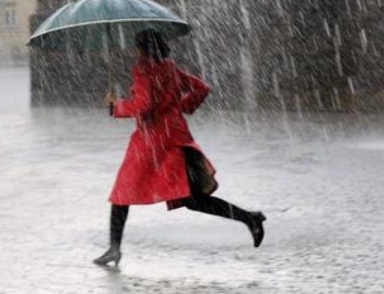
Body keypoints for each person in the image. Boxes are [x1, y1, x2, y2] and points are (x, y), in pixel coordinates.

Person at [94, 29, 266, 267]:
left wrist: (116, 106)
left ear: (142, 49)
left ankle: (114, 248)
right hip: (175, 136)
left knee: (123, 192)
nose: (135, 52)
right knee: (192, 199)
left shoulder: (144, 70)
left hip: (152, 142)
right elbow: (201, 89)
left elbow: (144, 106)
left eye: (137, 47)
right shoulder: (170, 68)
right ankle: (249, 218)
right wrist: (180, 107)